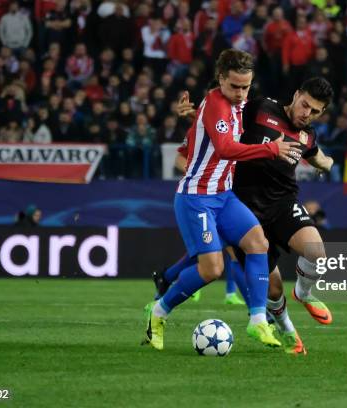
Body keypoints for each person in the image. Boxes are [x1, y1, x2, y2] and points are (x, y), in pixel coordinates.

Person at [142, 49, 301, 351]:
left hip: (224, 195)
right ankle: (158, 312)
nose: (241, 94)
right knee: (211, 269)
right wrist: (272, 150)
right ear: (220, 80)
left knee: (258, 243)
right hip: (197, 198)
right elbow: (227, 148)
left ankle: (257, 322)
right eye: (235, 87)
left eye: (246, 87)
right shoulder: (216, 103)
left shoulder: (235, 106)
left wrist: (195, 116)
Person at [163, 77, 336, 355]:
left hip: (282, 203)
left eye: (315, 111)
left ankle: (303, 293)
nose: (307, 113)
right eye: (305, 105)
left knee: (316, 251)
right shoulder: (261, 108)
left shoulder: (308, 135)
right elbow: (225, 121)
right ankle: (288, 331)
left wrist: (327, 164)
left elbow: (317, 155)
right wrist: (194, 113)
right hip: (243, 207)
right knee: (273, 288)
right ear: (296, 94)